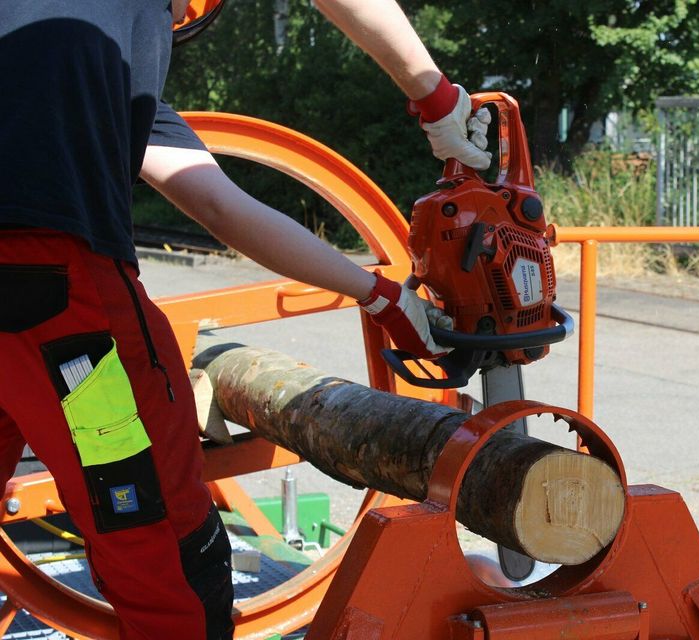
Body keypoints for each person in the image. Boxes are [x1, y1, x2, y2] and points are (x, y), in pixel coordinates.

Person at [0, 1, 488, 637]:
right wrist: (438, 97)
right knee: (164, 545)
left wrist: (379, 295)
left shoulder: (93, 79)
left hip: (34, 290)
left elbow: (220, 204)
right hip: (51, 294)